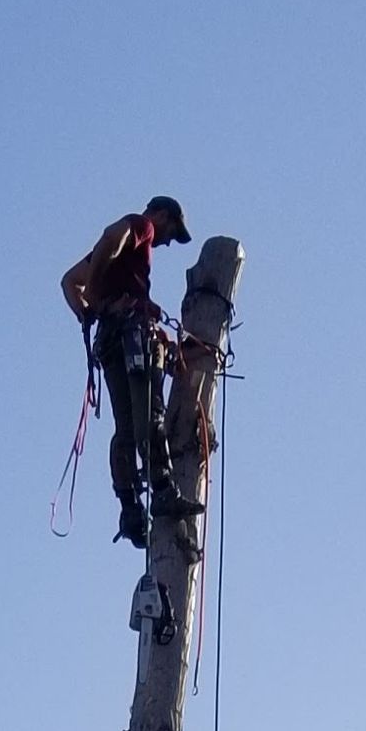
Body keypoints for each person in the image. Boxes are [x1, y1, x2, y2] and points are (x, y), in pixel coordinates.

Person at [61, 196, 205, 549]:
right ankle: (163, 491)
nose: (167, 241)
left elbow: (68, 282)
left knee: (125, 428)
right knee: (148, 417)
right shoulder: (141, 226)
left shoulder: (116, 260)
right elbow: (111, 238)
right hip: (130, 337)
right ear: (161, 215)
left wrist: (90, 310)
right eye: (171, 231)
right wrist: (96, 298)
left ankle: (129, 509)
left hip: (112, 342)